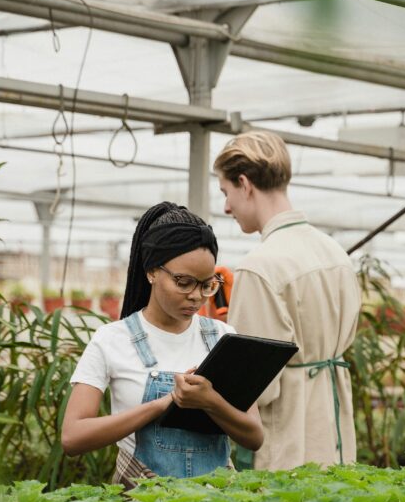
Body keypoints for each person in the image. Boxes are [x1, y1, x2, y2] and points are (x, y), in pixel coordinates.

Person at [62, 202, 263, 487]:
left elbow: (254, 436)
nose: (196, 296)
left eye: (207, 285)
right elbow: (73, 437)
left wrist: (211, 402)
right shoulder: (112, 339)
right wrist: (163, 405)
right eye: (184, 282)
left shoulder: (223, 338)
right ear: (152, 271)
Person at [213, 130, 360, 470]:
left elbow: (254, 388)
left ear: (245, 184)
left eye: (226, 191)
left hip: (287, 448)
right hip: (336, 439)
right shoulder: (336, 254)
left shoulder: (259, 267)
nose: (226, 206)